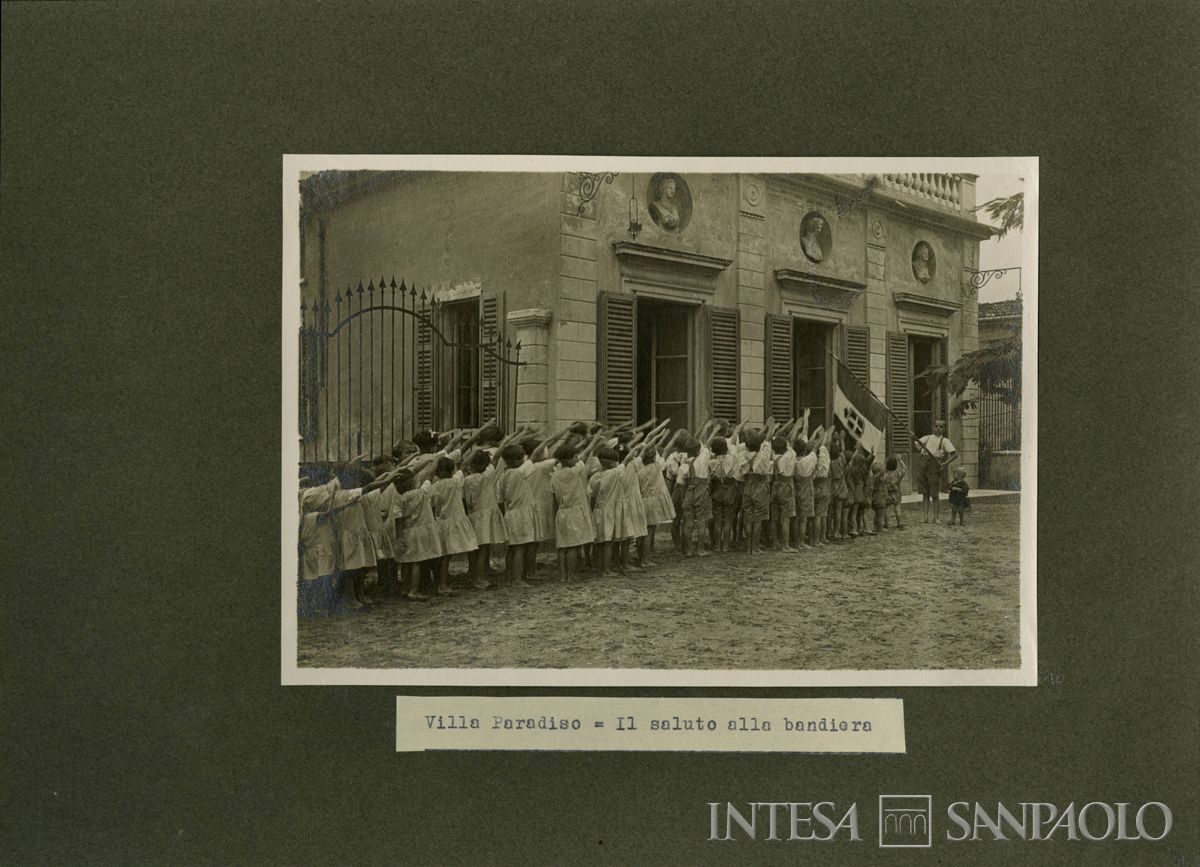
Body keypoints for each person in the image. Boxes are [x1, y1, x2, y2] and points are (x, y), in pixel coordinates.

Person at [550, 438, 600, 583]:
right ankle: (570, 575)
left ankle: (563, 575)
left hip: (562, 511)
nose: (577, 458)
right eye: (574, 457)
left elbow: (554, 498)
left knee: (562, 546)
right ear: (568, 459)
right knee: (573, 545)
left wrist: (555, 516)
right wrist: (594, 439)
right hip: (576, 512)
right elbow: (585, 454)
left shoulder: (554, 475)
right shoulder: (576, 471)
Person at [427, 456, 478, 596]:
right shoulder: (455, 481)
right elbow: (464, 464)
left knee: (444, 556)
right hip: (456, 520)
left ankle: (441, 583)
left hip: (442, 522)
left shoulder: (433, 487)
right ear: (453, 469)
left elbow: (430, 506)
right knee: (472, 548)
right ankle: (473, 577)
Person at [916, 419, 957, 523]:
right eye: (936, 426)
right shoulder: (927, 438)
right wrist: (921, 447)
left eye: (941, 427)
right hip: (923, 464)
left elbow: (954, 454)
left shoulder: (944, 441)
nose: (938, 428)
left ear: (944, 428)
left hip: (934, 466)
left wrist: (944, 463)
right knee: (925, 493)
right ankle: (925, 517)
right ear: (933, 427)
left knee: (935, 494)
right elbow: (917, 444)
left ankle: (936, 517)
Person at [883, 455, 907, 530]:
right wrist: (900, 460)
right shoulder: (898, 473)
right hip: (896, 492)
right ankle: (899, 523)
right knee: (897, 508)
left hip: (887, 493)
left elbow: (882, 480)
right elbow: (905, 468)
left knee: (887, 509)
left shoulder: (885, 475)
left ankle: (886, 524)